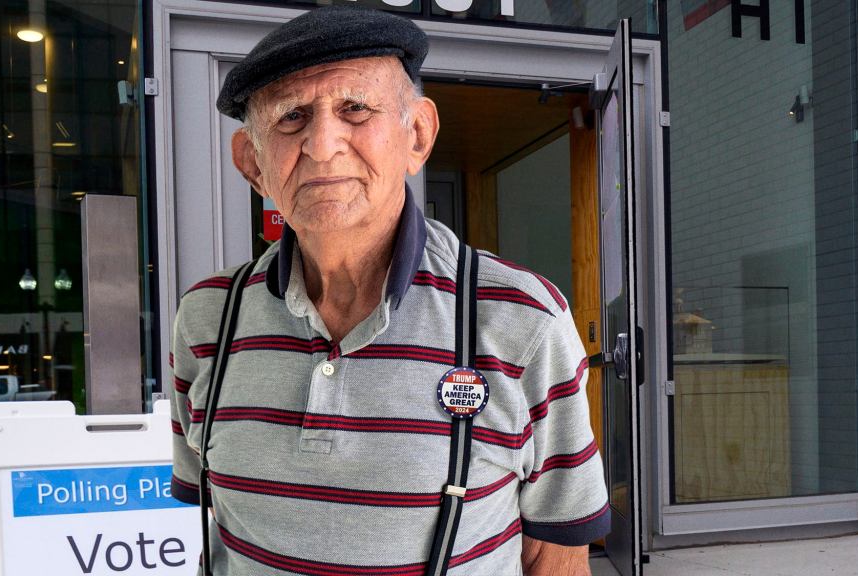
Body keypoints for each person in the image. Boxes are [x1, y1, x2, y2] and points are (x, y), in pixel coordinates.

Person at [169, 6, 609, 575]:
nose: (323, 145)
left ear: (418, 135)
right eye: (292, 118)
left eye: (355, 108)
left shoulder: (521, 319)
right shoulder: (208, 321)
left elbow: (557, 552)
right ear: (253, 163)